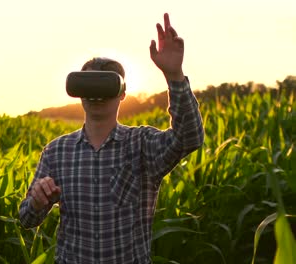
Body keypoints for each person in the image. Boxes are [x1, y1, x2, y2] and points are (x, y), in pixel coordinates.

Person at [19, 13, 204, 263]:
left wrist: (175, 76)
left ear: (122, 93)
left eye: (104, 86)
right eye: (88, 86)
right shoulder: (56, 151)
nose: (96, 95)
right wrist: (38, 202)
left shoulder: (142, 144)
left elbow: (190, 137)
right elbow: (26, 220)